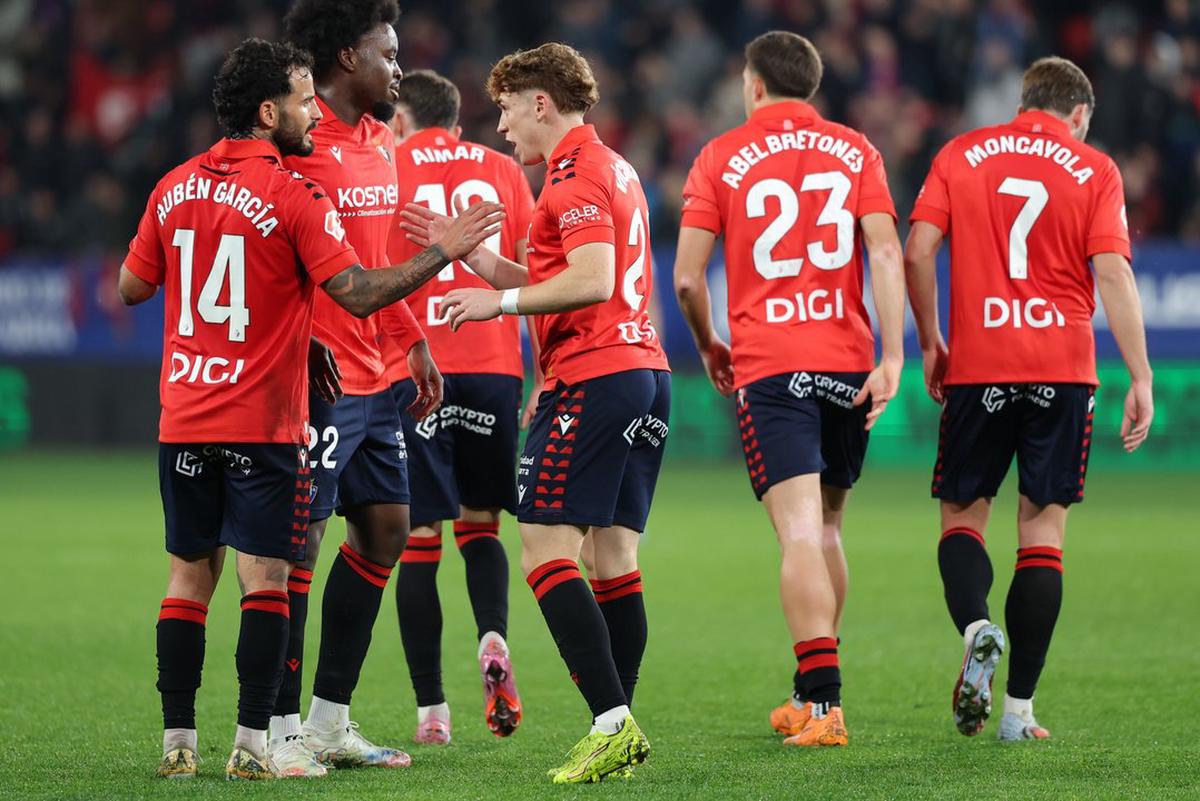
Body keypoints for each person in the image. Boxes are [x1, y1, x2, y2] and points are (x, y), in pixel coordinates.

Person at [119, 38, 502, 781]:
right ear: (270, 110)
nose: (309, 112)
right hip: (266, 417)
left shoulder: (172, 185)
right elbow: (354, 290)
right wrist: (445, 249)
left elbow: (133, 288)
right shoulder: (294, 193)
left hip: (186, 413)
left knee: (188, 576)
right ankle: (262, 740)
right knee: (269, 576)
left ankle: (179, 742)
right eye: (299, 101)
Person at [401, 42, 670, 783]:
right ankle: (621, 726)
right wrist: (482, 264)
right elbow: (575, 274)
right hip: (644, 372)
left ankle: (611, 722)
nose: (502, 126)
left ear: (541, 103)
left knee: (545, 550)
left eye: (508, 109)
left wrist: (499, 301)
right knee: (612, 558)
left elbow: (591, 279)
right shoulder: (613, 166)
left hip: (596, 374)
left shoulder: (576, 173)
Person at [906, 56, 1153, 741]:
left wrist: (930, 340)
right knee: (1042, 534)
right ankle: (1017, 712)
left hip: (979, 364)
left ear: (1025, 101)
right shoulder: (1094, 168)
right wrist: (1140, 374)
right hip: (1063, 369)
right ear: (1078, 113)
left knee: (962, 517)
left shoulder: (961, 153)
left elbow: (920, 248)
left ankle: (978, 626)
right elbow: (1111, 270)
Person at [673, 31, 905, 748]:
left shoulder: (719, 157)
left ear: (753, 85)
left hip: (772, 363)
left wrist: (711, 339)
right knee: (829, 528)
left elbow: (685, 277)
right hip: (845, 360)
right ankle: (810, 690)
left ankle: (826, 706)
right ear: (811, 84)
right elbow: (885, 249)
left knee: (797, 531)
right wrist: (893, 354)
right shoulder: (857, 149)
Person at [263, 0, 456, 774]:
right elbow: (270, 258)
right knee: (296, 545)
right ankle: (275, 727)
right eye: (388, 51)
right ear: (348, 57)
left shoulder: (382, 140)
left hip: (380, 372)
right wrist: (301, 339)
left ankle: (328, 718)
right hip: (323, 379)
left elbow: (379, 257)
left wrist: (416, 345)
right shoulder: (297, 148)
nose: (399, 65)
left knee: (384, 531)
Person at [385, 69, 535, 745]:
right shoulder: (503, 168)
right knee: (482, 526)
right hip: (495, 363)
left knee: (420, 538)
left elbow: (372, 272)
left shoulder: (388, 162)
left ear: (399, 118)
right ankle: (494, 637)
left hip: (421, 366)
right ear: (455, 119)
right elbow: (533, 269)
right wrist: (541, 368)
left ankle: (432, 713)